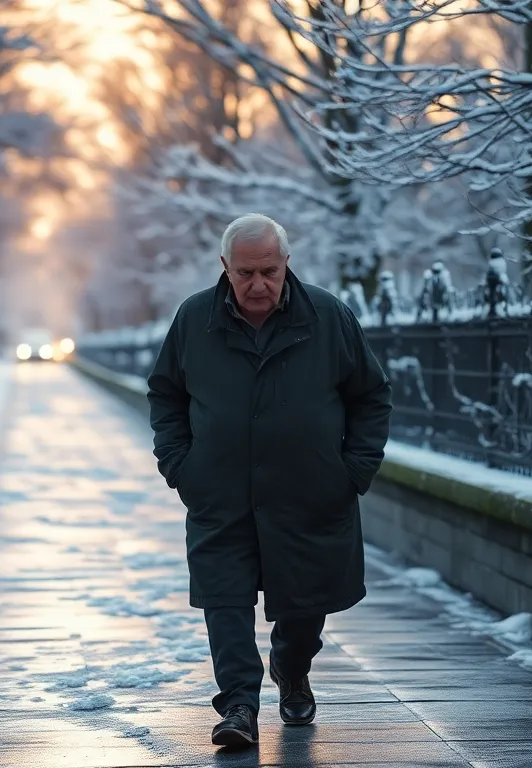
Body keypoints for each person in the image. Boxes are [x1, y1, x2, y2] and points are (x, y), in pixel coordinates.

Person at [146, 213, 392, 749]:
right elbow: (166, 394)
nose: (258, 284)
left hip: (311, 494)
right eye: (245, 273)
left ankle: (292, 668)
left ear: (286, 264)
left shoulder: (328, 316)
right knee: (225, 600)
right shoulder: (194, 319)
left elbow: (371, 396)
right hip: (219, 492)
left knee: (304, 605)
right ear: (224, 267)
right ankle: (239, 704)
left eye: (268, 272)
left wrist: (353, 470)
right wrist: (180, 465)